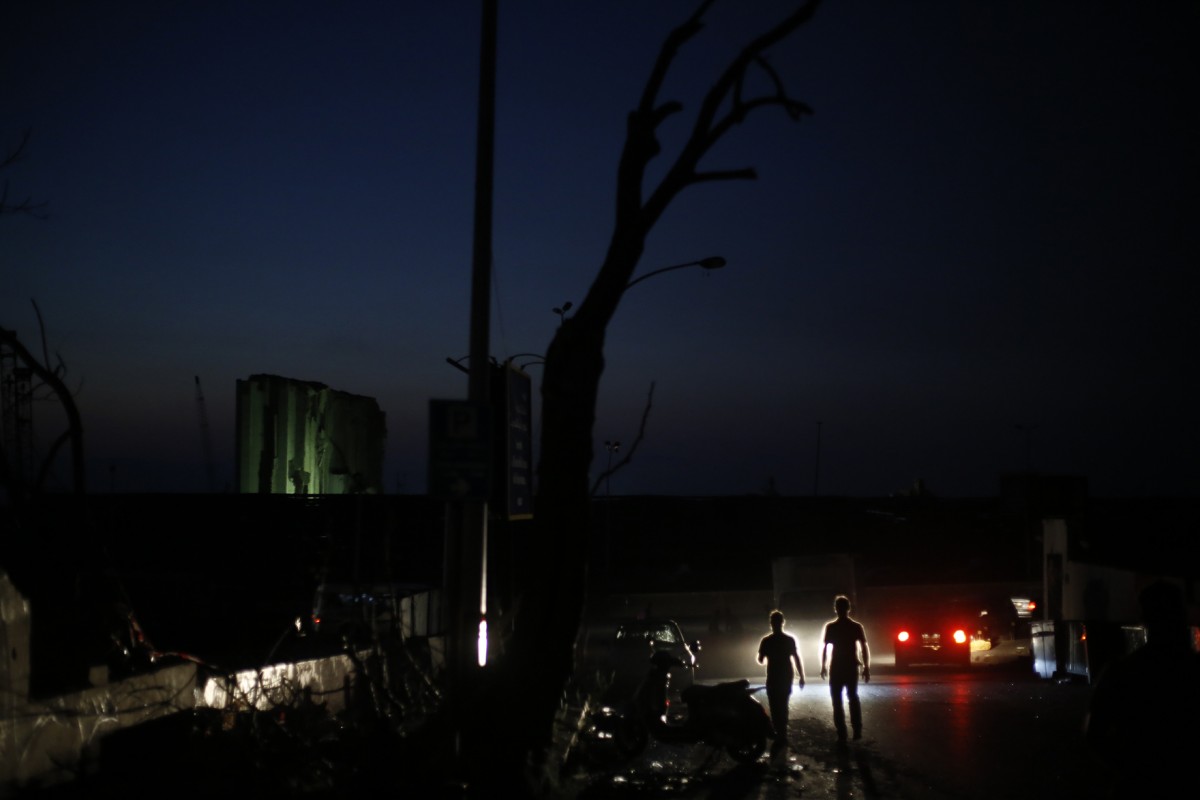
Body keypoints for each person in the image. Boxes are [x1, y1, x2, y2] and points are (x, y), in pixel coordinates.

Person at [1085, 580, 1199, 796]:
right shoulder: (1193, 669)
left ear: (1144, 619)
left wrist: (1130, 769)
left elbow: (1094, 734)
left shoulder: (1122, 672)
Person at [820, 594, 870, 744]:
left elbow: (825, 648)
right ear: (849, 609)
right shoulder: (855, 626)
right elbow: (863, 648)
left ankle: (842, 732)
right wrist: (866, 667)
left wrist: (823, 666)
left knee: (837, 700)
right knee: (852, 697)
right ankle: (856, 730)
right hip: (850, 665)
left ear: (836, 609)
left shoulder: (832, 627)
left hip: (836, 666)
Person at [757, 609, 805, 743]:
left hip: (773, 675)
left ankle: (778, 730)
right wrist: (801, 676)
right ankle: (782, 731)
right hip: (786, 675)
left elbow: (760, 660)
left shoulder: (766, 641)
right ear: (782, 623)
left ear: (771, 623)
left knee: (774, 704)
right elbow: (796, 658)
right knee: (783, 703)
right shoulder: (789, 640)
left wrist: (766, 655)